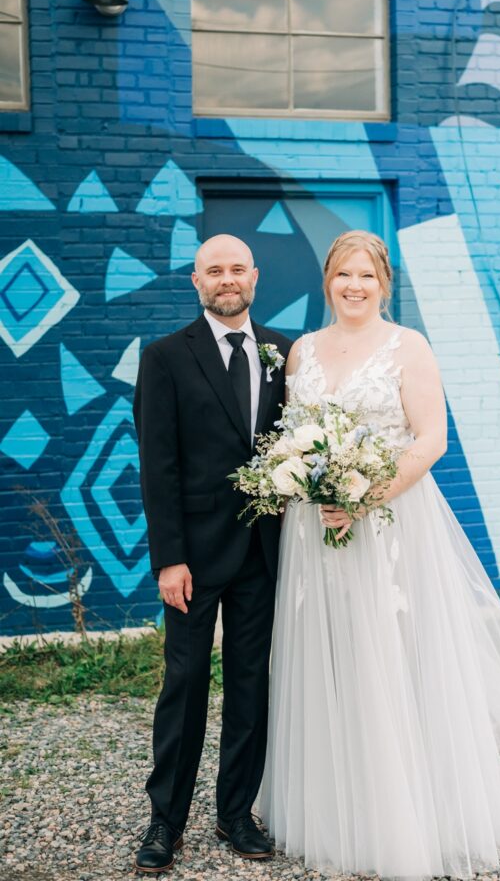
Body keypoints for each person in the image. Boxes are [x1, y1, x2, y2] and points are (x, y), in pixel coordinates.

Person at [258, 230, 500, 881]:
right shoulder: (301, 351)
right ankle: (336, 810)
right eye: (342, 276)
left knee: (391, 659)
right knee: (328, 659)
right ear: (326, 281)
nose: (353, 287)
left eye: (365, 276)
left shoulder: (406, 347)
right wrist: (303, 480)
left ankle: (408, 819)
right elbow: (291, 437)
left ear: (383, 284)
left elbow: (430, 439)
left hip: (388, 527)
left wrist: (365, 495)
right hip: (315, 533)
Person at [132, 234, 291, 874]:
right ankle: (164, 820)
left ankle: (234, 813)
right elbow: (157, 465)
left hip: (264, 550)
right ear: (195, 281)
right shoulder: (166, 356)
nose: (227, 280)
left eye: (236, 269)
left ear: (254, 276)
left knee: (252, 684)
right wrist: (170, 557)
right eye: (213, 271)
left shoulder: (285, 354)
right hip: (193, 558)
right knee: (187, 682)